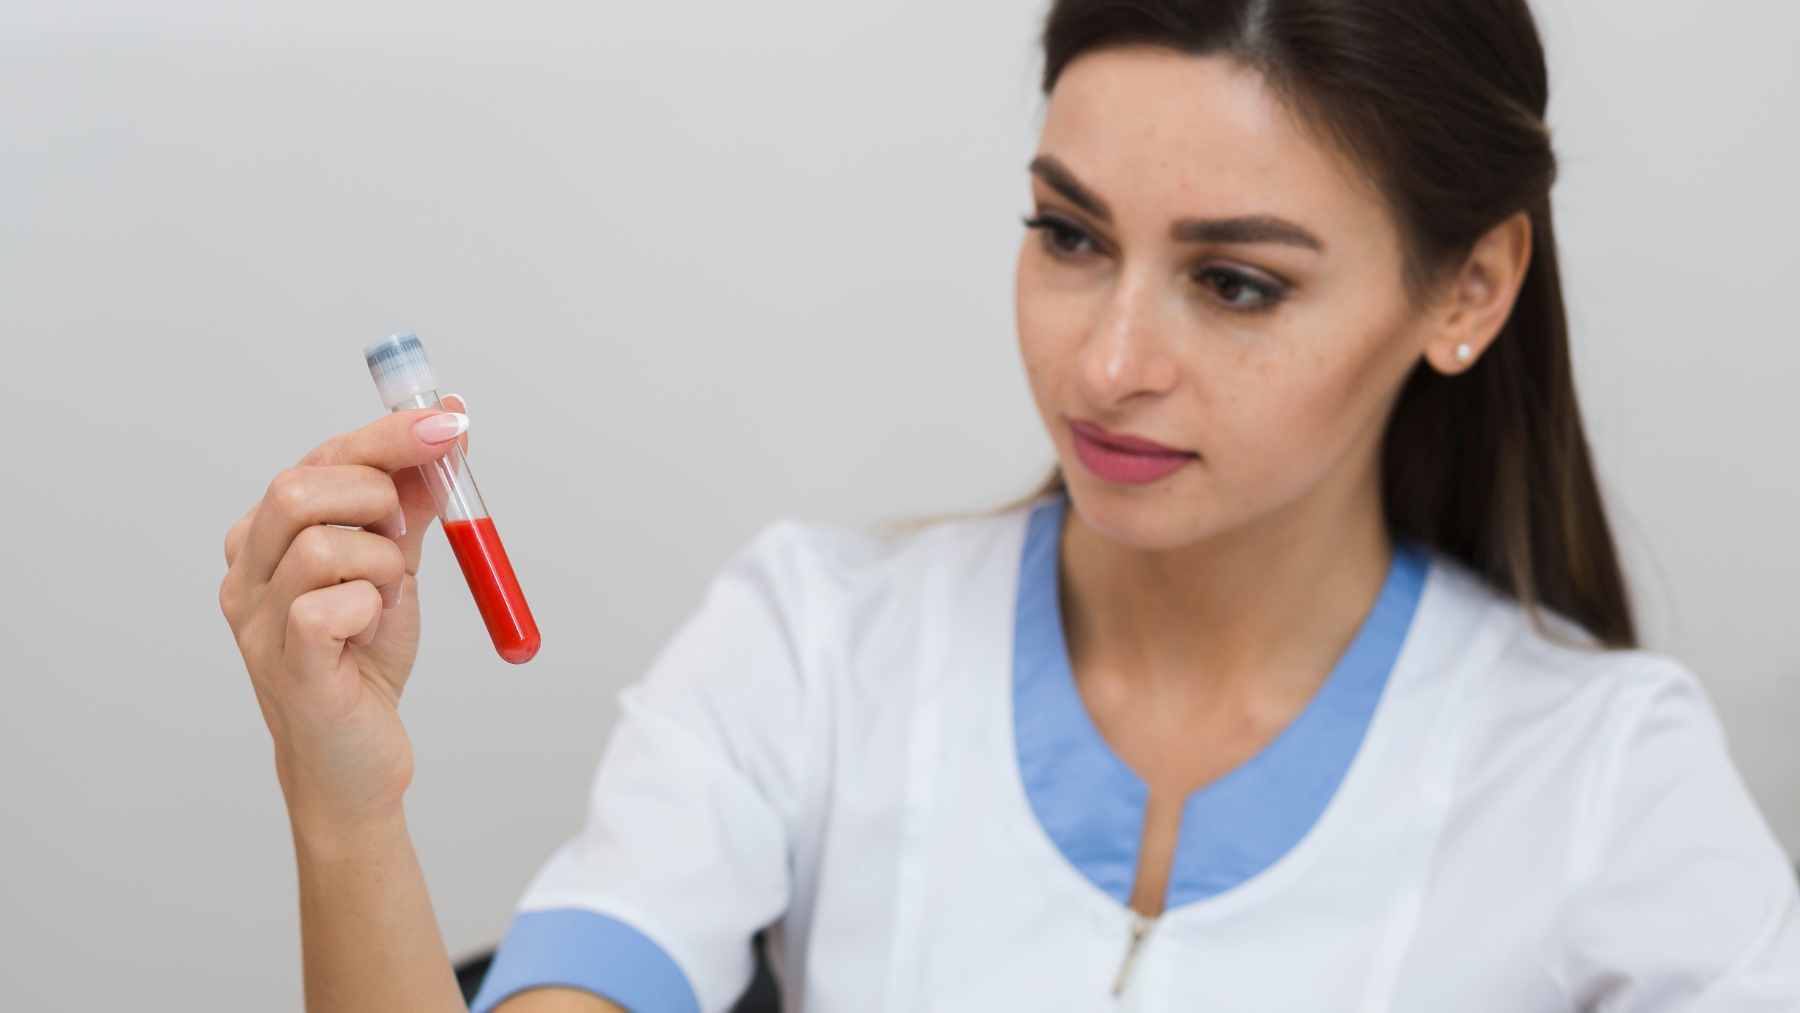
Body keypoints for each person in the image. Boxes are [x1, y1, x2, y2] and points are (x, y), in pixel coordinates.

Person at [217, 1, 1800, 1010]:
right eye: (1068, 235)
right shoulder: (815, 648)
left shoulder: (1610, 783)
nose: (1109, 361)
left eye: (1235, 282)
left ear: (1470, 287)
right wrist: (343, 804)